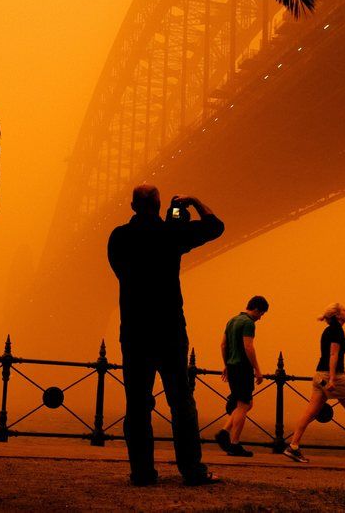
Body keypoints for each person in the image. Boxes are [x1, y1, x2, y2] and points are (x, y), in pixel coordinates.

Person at [107, 184, 225, 486]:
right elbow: (215, 227)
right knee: (181, 401)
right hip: (170, 329)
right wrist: (194, 200)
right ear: (159, 206)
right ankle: (192, 470)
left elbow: (120, 271)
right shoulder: (172, 235)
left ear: (133, 206)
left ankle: (142, 472)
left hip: (134, 330)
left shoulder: (118, 237)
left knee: (137, 403)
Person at [282, 303, 345, 466]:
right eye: (344, 310)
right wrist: (332, 379)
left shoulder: (329, 330)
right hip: (332, 378)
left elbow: (331, 357)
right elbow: (333, 355)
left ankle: (293, 446)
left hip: (319, 376)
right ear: (338, 315)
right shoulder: (337, 330)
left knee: (310, 413)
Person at [215, 296, 269, 457]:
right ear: (257, 309)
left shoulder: (232, 320)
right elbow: (248, 347)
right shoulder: (248, 323)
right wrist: (257, 370)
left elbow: (223, 344)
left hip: (232, 366)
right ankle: (234, 443)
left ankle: (224, 433)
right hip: (242, 368)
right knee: (243, 405)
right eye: (262, 313)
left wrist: (226, 364)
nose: (261, 317)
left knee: (246, 403)